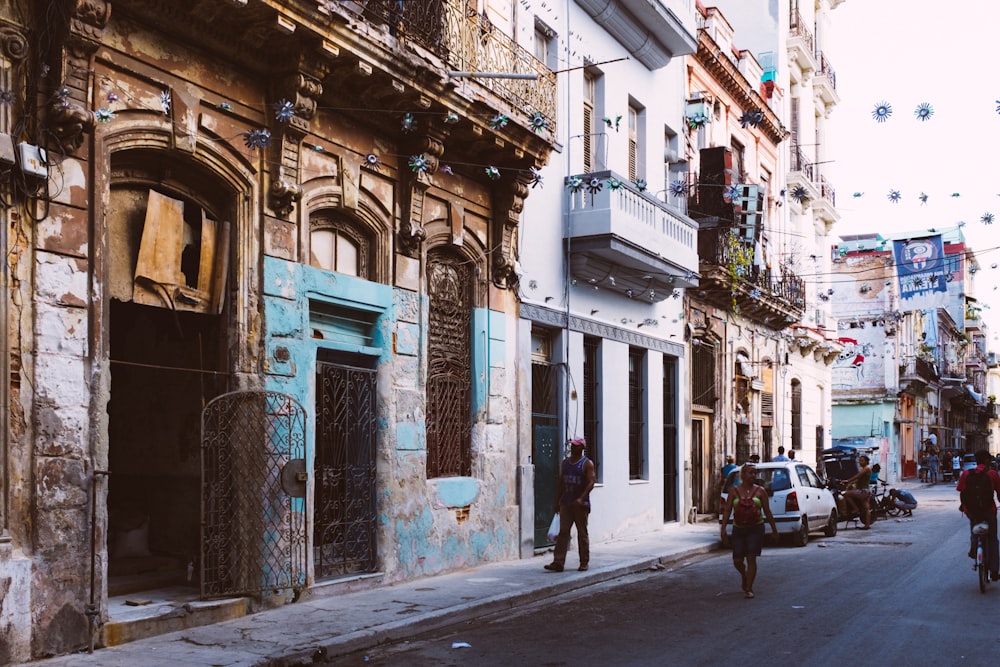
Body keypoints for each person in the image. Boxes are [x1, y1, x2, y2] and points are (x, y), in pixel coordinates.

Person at [720, 464, 778, 599]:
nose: (754, 476)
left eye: (755, 473)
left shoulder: (760, 491)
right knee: (737, 560)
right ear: (743, 475)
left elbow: (767, 512)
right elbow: (727, 510)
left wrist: (774, 530)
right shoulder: (734, 491)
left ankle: (749, 587)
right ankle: (745, 575)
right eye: (751, 473)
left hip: (755, 528)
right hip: (738, 529)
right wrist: (723, 530)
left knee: (751, 557)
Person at [545, 437, 596, 573]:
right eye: (572, 446)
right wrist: (557, 501)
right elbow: (561, 483)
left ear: (581, 448)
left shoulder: (587, 464)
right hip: (566, 503)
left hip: (580, 505)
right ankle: (558, 562)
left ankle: (584, 562)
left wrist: (581, 498)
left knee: (582, 533)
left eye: (575, 446)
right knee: (563, 533)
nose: (573, 448)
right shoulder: (566, 463)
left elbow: (591, 482)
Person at [957, 449, 1000, 581]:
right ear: (987, 461)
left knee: (975, 532)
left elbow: (961, 491)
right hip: (989, 511)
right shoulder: (993, 474)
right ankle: (994, 571)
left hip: (972, 512)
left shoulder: (966, 474)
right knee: (992, 539)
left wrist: (965, 507)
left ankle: (975, 548)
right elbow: (999, 493)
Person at [841, 454, 873, 529]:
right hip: (866, 491)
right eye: (859, 460)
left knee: (846, 494)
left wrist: (848, 480)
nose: (860, 462)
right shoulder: (865, 469)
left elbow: (858, 476)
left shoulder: (866, 468)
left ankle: (856, 509)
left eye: (862, 460)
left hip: (863, 491)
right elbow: (858, 479)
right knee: (866, 508)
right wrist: (850, 483)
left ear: (866, 461)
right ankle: (867, 525)